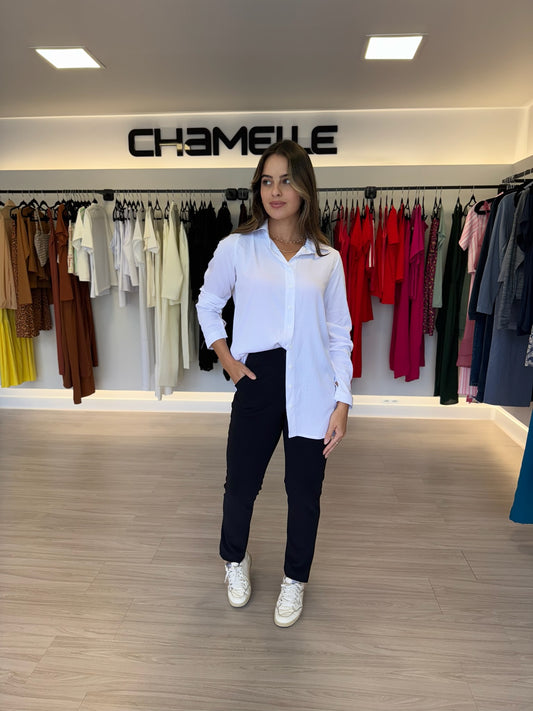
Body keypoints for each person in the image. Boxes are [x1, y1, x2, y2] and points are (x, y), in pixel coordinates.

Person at [196, 139, 353, 627]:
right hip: (259, 379)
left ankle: (295, 580)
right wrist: (228, 360)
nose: (275, 191)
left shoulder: (327, 258)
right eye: (267, 181)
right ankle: (234, 559)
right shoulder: (237, 247)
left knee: (304, 491)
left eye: (286, 180)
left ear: (305, 187)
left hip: (313, 385)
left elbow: (339, 333)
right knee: (241, 484)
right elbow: (207, 304)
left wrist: (343, 401)